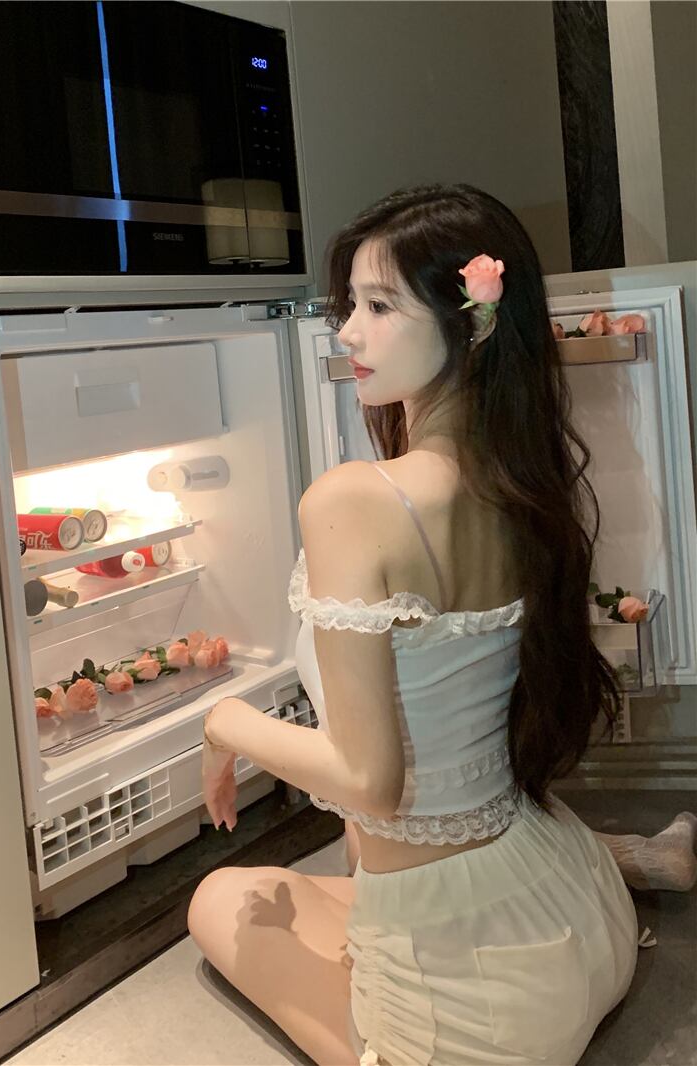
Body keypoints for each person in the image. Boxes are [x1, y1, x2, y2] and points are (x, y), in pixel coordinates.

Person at [187, 184, 697, 1066]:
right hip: (573, 906)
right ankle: (635, 860)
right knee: (309, 882)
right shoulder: (520, 482)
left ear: (468, 323)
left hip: (484, 1016)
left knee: (220, 899)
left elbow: (370, 782)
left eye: (380, 306)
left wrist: (224, 721)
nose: (348, 334)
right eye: (348, 306)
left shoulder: (353, 500)